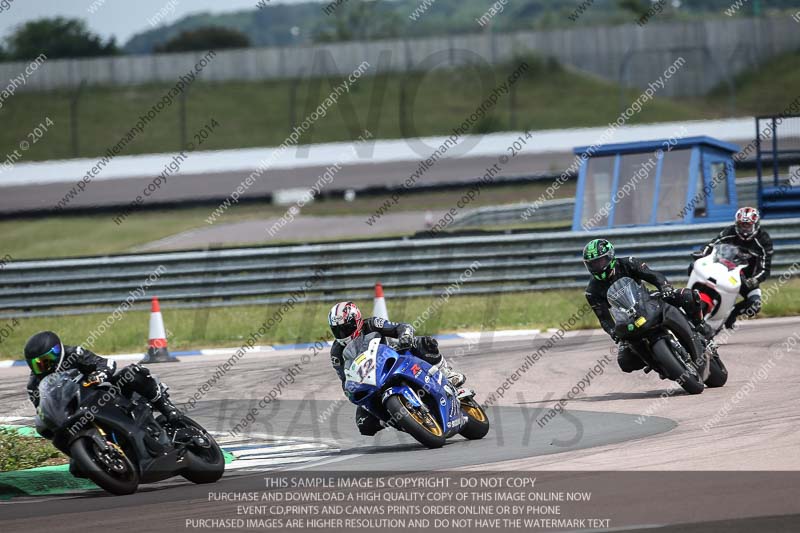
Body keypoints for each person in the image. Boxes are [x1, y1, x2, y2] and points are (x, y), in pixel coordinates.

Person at [327, 301, 465, 436]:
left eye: (346, 328)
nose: (342, 333)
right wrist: (350, 389)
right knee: (363, 424)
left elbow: (402, 327)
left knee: (425, 343)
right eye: (337, 330)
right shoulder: (336, 352)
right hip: (370, 380)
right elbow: (345, 378)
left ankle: (446, 372)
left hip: (394, 359)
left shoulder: (372, 324)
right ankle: (396, 420)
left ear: (357, 321)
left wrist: (405, 336)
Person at [582, 239, 709, 374]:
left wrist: (664, 286)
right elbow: (604, 318)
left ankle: (700, 326)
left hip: (648, 300)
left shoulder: (628, 263)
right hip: (627, 318)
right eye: (592, 264)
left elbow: (653, 275)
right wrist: (613, 332)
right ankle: (656, 361)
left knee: (687, 296)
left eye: (599, 262)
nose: (597, 267)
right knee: (625, 362)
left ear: (610, 257)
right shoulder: (592, 291)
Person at [24, 331, 181, 422]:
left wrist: (100, 374)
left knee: (131, 372)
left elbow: (106, 363)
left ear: (58, 351)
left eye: (48, 360)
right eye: (38, 364)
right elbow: (42, 411)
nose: (45, 366)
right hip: (76, 413)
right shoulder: (34, 386)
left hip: (103, 394)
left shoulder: (74, 354)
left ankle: (166, 407)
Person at [691, 206, 773, 329]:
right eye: (742, 225)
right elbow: (712, 244)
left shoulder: (763, 240)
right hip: (724, 272)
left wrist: (755, 280)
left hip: (746, 280)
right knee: (694, 268)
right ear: (736, 224)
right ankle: (693, 306)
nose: (744, 229)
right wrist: (702, 253)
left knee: (755, 304)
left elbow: (765, 268)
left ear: (756, 225)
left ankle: (731, 315)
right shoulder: (730, 232)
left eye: (748, 225)